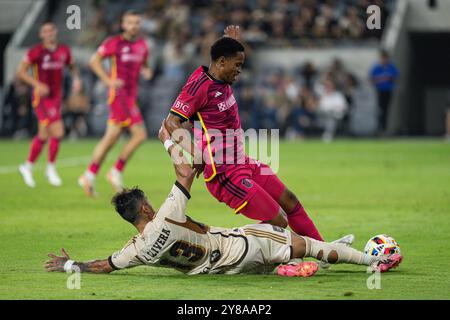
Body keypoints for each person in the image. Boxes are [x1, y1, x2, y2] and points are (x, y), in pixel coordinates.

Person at [44, 121, 403, 276]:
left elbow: (104, 265)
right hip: (241, 247)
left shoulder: (135, 250)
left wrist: (71, 265)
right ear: (146, 208)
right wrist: (168, 141)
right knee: (309, 248)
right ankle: (370, 262)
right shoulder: (166, 215)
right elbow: (186, 173)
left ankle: (287, 266)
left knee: (284, 246)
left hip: (221, 269)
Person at [165, 25, 346, 248]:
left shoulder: (219, 75)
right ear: (222, 62)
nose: (240, 70)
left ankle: (324, 250)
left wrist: (229, 40)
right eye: (237, 65)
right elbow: (171, 122)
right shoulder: (198, 88)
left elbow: (222, 52)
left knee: (289, 200)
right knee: (277, 221)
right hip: (223, 173)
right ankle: (234, 249)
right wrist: (196, 153)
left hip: (242, 161)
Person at [78, 10, 153, 197]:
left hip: (130, 97)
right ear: (123, 25)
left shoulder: (143, 45)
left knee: (110, 139)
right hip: (118, 96)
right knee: (140, 134)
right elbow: (93, 61)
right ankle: (115, 171)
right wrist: (107, 80)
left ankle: (89, 174)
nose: (134, 26)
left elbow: (144, 64)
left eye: (137, 22)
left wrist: (147, 71)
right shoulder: (114, 43)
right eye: (130, 22)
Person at [17, 22, 81, 188]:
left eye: (51, 30)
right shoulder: (36, 52)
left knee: (44, 135)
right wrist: (36, 84)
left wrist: (76, 79)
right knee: (58, 131)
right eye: (45, 31)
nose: (49, 34)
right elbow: (21, 72)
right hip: (42, 99)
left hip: (56, 98)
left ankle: (27, 166)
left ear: (55, 32)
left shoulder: (63, 51)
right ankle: (50, 168)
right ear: (41, 34)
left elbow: (72, 66)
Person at [369, 50, 399, 134]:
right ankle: (379, 128)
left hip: (388, 90)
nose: (384, 60)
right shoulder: (376, 67)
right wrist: (382, 79)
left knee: (386, 109)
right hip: (379, 91)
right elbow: (371, 78)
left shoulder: (391, 67)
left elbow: (395, 77)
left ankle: (384, 128)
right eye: (382, 58)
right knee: (379, 110)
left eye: (385, 58)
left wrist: (385, 78)